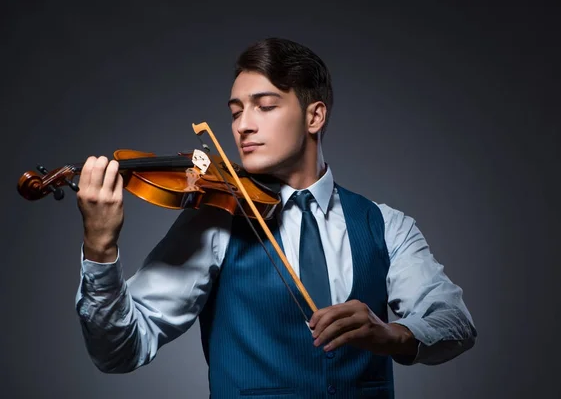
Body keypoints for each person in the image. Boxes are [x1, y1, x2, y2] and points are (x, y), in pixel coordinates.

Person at [75, 37, 477, 398]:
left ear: (314, 117)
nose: (243, 126)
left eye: (265, 106)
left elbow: (455, 323)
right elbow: (119, 350)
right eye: (235, 112)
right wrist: (101, 247)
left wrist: (391, 335)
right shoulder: (217, 220)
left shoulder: (386, 225)